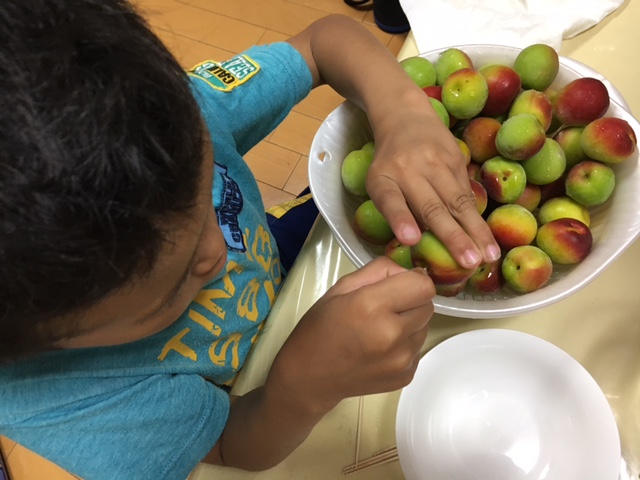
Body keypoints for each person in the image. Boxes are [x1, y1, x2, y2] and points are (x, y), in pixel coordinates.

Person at [0, 1, 500, 478]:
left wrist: (402, 112)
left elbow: (324, 41)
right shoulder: (53, 397)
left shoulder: (156, 113)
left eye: (208, 194)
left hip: (285, 258)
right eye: (172, 288)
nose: (219, 252)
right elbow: (228, 443)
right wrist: (300, 389)